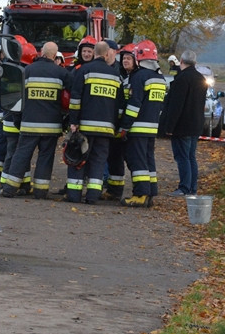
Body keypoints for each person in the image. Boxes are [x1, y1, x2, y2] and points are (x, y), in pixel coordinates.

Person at [0, 41, 71, 199]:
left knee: (21, 155)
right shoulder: (61, 73)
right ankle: (40, 191)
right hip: (51, 127)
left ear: (41, 52)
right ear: (55, 55)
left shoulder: (27, 71)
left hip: (29, 124)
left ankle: (10, 188)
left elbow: (18, 98)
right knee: (46, 157)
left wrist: (18, 120)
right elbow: (71, 97)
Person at [65, 41, 121, 204]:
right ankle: (93, 197)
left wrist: (73, 121)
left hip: (85, 126)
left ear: (95, 53)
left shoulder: (84, 70)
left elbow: (75, 99)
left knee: (78, 158)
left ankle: (74, 196)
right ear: (106, 55)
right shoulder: (115, 75)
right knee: (98, 161)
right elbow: (119, 105)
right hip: (106, 129)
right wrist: (115, 125)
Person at [119, 40, 166, 208]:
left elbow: (133, 105)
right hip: (152, 127)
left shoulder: (139, 76)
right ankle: (150, 192)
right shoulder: (160, 78)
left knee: (137, 162)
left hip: (137, 127)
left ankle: (140, 194)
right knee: (148, 161)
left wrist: (124, 126)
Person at [0, 37, 37, 192]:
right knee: (13, 152)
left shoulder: (8, 68)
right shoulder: (15, 72)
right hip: (12, 118)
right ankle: (3, 182)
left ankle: (19, 182)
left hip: (8, 116)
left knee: (11, 151)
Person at [159, 50, 208, 196]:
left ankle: (184, 188)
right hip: (196, 125)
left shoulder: (181, 79)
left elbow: (176, 106)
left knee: (182, 157)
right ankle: (192, 187)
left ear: (181, 61)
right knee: (191, 157)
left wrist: (169, 127)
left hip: (182, 126)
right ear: (195, 62)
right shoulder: (201, 79)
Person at [104, 43, 137, 200]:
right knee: (114, 157)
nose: (125, 61)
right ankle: (114, 191)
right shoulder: (123, 75)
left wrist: (124, 125)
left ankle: (139, 191)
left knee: (131, 159)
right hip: (118, 124)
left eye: (129, 58)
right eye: (124, 58)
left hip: (130, 127)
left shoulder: (135, 78)